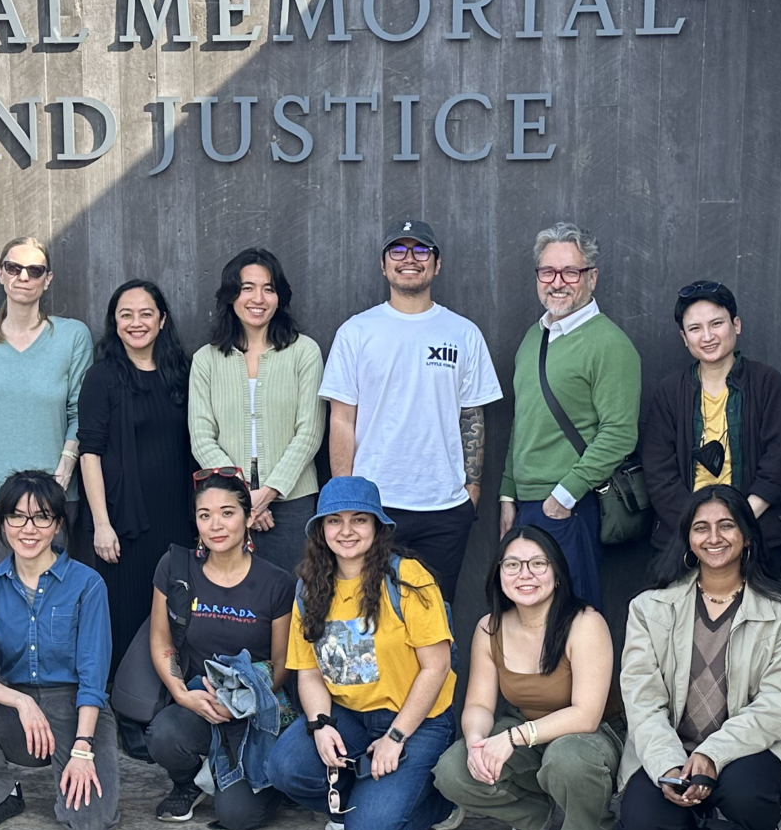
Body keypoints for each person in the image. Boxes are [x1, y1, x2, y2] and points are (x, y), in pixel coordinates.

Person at [613, 485, 781, 830]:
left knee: (744, 791)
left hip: (749, 752)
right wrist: (670, 762)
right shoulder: (650, 609)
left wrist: (712, 755)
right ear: (687, 539)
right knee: (643, 822)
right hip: (672, 748)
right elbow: (641, 698)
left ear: (746, 536)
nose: (714, 537)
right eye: (701, 528)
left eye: (727, 525)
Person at [262, 477, 460, 830]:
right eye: (334, 521)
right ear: (321, 530)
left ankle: (439, 799)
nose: (347, 531)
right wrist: (320, 727)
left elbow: (435, 669)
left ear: (377, 526)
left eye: (359, 520)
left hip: (415, 721)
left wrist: (396, 737)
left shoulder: (408, 579)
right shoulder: (309, 588)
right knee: (284, 767)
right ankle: (364, 792)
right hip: (349, 715)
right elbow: (309, 673)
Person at [321, 218, 502, 607]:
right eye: (398, 250)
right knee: (371, 618)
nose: (410, 259)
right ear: (384, 264)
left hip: (445, 507)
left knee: (436, 618)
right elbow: (341, 419)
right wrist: (347, 498)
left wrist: (471, 490)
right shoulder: (356, 332)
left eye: (421, 250)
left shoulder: (463, 333)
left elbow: (471, 416)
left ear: (437, 264)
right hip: (374, 505)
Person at [433, 525, 623, 830]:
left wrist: (510, 738)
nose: (525, 574)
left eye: (538, 564)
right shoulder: (489, 627)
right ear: (499, 574)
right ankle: (533, 814)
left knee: (566, 758)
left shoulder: (585, 623)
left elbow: (586, 715)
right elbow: (478, 705)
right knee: (453, 770)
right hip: (525, 726)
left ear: (557, 573)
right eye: (513, 565)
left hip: (591, 734)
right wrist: (477, 743)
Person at [0, 471, 120, 830]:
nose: (29, 529)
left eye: (42, 517)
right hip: (19, 709)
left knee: (89, 825)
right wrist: (21, 703)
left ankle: (76, 771)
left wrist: (83, 748)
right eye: (17, 516)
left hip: (76, 709)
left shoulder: (87, 584)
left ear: (57, 525)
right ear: (3, 523)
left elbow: (93, 676)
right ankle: (2, 795)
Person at [497, 224, 642, 610]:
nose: (557, 282)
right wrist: (509, 493)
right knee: (525, 622)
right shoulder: (534, 337)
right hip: (527, 505)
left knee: (571, 618)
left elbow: (619, 433)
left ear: (591, 278)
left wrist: (562, 498)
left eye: (570, 272)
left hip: (570, 506)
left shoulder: (610, 344)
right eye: (548, 272)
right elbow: (524, 417)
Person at [144, 469, 296, 825]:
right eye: (205, 515)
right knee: (163, 735)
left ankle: (264, 780)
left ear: (249, 516)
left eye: (227, 512)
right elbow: (161, 640)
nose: (216, 524)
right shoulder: (175, 568)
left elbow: (283, 662)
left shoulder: (276, 582)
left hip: (255, 706)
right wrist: (181, 695)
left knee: (238, 818)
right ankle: (188, 783)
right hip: (201, 699)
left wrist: (240, 701)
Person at [76, 279, 194, 719]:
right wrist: (102, 523)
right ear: (115, 323)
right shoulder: (103, 377)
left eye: (146, 313)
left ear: (162, 320)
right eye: (126, 315)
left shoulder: (181, 371)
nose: (136, 322)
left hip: (177, 517)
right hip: (125, 521)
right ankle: (126, 714)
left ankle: (165, 707)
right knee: (126, 616)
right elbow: (90, 452)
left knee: (172, 617)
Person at [639, 280, 781, 573]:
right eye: (695, 328)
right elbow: (658, 470)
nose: (707, 336)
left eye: (717, 324)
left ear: (736, 325)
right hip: (683, 536)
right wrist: (699, 527)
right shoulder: (669, 392)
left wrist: (741, 521)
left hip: (755, 531)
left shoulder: (766, 382)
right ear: (684, 338)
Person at [0, 237, 92, 572]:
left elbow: (80, 413)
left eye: (34, 270)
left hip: (53, 489)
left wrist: (64, 472)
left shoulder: (72, 337)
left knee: (49, 596)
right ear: (1, 274)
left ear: (48, 278)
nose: (23, 277)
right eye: (14, 268)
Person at [188, 247, 326, 573]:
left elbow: (310, 431)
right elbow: (201, 436)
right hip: (226, 505)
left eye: (268, 288)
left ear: (280, 297)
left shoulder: (304, 352)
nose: (258, 298)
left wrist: (266, 492)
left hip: (293, 502)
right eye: (247, 288)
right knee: (235, 602)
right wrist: (244, 497)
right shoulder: (206, 359)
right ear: (231, 295)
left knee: (294, 597)